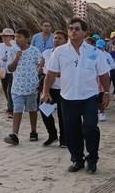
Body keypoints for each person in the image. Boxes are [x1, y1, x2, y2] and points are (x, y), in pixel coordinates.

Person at [42, 18, 111, 173]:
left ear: (85, 32)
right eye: (71, 28)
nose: (73, 31)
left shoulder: (94, 52)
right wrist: (45, 91)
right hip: (67, 97)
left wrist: (106, 93)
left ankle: (92, 159)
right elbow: (51, 74)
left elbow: (104, 74)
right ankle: (77, 159)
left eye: (77, 29)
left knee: (90, 128)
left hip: (89, 97)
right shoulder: (59, 52)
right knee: (71, 131)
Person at [3, 29, 42, 145]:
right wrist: (16, 58)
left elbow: (40, 63)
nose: (17, 39)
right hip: (17, 86)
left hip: (31, 86)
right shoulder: (12, 51)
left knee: (32, 110)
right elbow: (9, 69)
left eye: (19, 37)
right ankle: (14, 134)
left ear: (27, 38)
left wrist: (41, 66)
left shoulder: (34, 50)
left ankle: (33, 131)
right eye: (15, 37)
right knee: (17, 110)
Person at [39, 30, 68, 146]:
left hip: (63, 88)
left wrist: (51, 72)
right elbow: (42, 66)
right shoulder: (46, 53)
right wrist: (41, 69)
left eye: (60, 38)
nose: (56, 40)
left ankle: (64, 139)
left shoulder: (68, 54)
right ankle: (52, 134)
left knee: (63, 115)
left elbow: (63, 72)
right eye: (55, 38)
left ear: (66, 40)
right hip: (49, 87)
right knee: (44, 110)